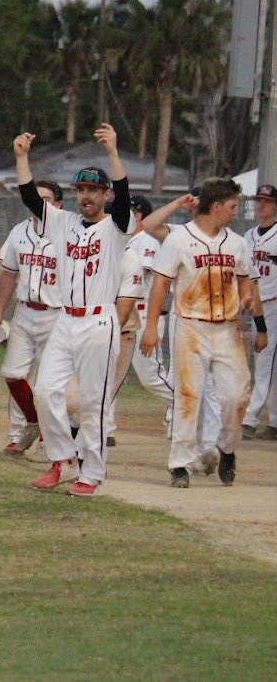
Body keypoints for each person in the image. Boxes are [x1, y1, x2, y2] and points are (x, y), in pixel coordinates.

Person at [14, 123, 133, 497]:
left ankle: (92, 472)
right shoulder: (63, 223)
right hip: (66, 318)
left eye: (94, 190)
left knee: (91, 401)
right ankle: (63, 460)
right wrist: (22, 158)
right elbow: (31, 198)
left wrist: (113, 152)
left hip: (100, 320)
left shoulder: (116, 226)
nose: (87, 196)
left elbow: (127, 196)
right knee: (46, 390)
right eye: (82, 189)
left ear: (105, 195)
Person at [140, 177, 264, 488]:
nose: (236, 211)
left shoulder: (236, 242)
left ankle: (227, 449)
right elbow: (160, 285)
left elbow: (246, 279)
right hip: (191, 326)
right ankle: (180, 464)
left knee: (237, 396)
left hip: (227, 329)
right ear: (217, 206)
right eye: (233, 205)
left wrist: (248, 295)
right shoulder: (180, 239)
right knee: (188, 395)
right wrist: (152, 327)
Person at [0, 180, 65, 456]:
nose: (40, 203)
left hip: (56, 314)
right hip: (24, 310)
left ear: (58, 204)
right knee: (12, 374)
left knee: (49, 383)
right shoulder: (20, 231)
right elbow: (9, 272)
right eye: (36, 198)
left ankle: (52, 438)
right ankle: (31, 424)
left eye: (46, 199)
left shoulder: (68, 233)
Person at [109, 195, 173, 440]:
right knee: (111, 371)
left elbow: (142, 271)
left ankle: (186, 404)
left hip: (145, 312)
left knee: (150, 376)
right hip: (123, 310)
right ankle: (106, 428)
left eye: (132, 211)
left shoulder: (146, 238)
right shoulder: (121, 238)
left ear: (140, 216)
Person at [242, 184, 277, 440]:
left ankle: (250, 419)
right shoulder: (248, 236)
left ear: (276, 206)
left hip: (273, 304)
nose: (261, 205)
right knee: (268, 365)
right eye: (258, 200)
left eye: (267, 201)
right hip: (253, 306)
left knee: (264, 364)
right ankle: (275, 421)